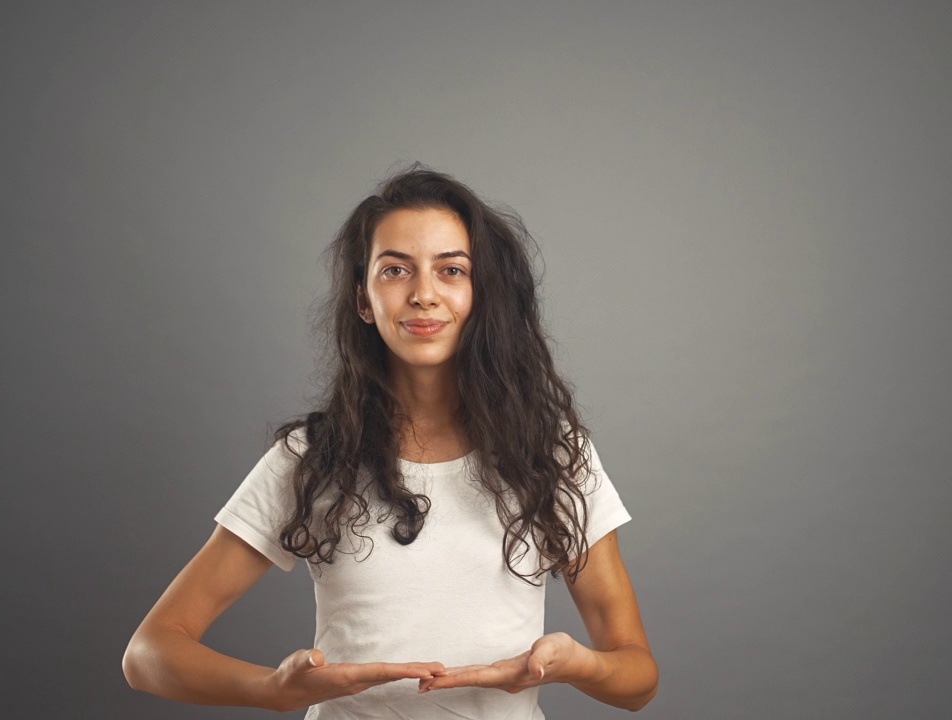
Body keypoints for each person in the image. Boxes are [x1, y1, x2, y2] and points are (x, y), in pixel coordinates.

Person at [122, 166, 658, 718]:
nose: (424, 294)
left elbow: (638, 679)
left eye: (451, 270)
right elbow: (148, 653)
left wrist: (573, 664)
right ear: (363, 299)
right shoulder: (314, 457)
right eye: (396, 270)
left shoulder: (553, 454)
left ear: (484, 294)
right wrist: (273, 689)